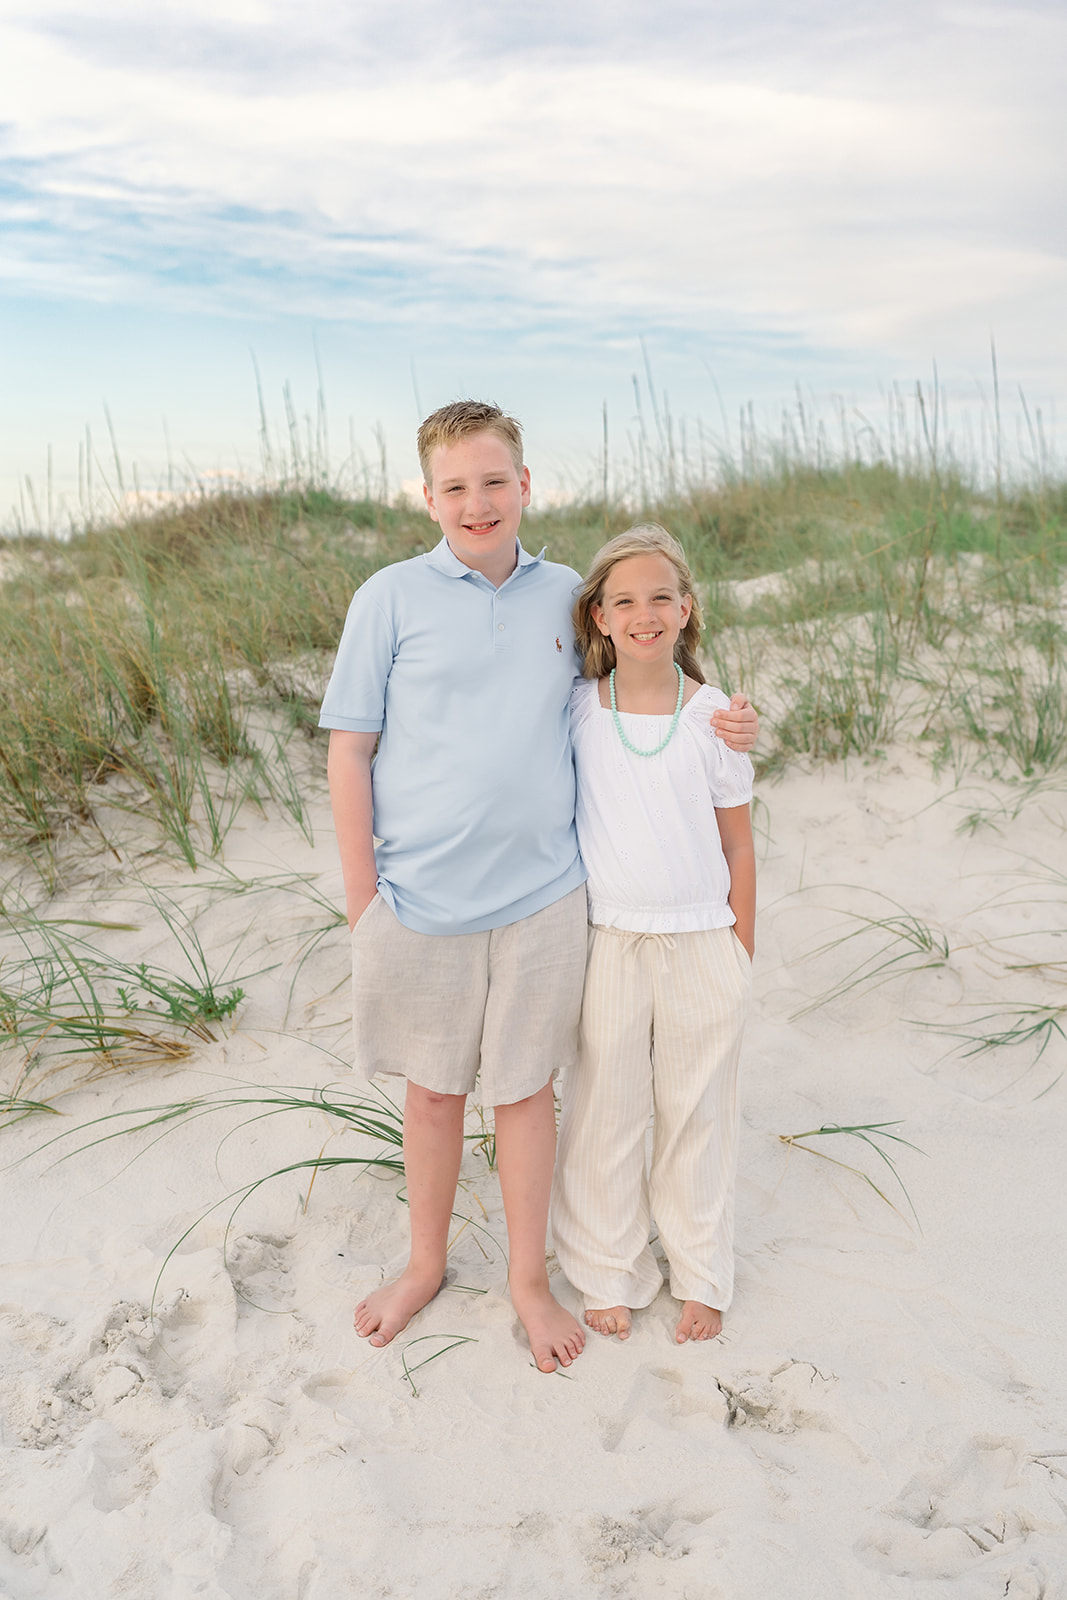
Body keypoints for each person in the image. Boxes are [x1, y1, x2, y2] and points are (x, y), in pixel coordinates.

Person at [320, 403, 758, 1373]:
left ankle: (528, 1277)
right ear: (427, 496)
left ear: (524, 487)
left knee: (526, 1092)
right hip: (421, 896)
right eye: (454, 486)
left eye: (493, 481)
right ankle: (424, 1262)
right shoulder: (387, 598)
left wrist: (724, 718)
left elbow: (642, 671)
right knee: (433, 1094)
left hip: (546, 897)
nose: (476, 502)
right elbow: (350, 750)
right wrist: (364, 898)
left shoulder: (564, 591)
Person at [551, 523, 755, 1347]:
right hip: (608, 941)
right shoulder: (574, 710)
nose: (643, 614)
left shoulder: (714, 717)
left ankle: (700, 1269)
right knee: (605, 1109)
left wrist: (741, 946)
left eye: (659, 598)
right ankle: (605, 1268)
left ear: (686, 610)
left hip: (704, 941)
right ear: (598, 616)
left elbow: (738, 840)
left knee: (696, 1111)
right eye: (623, 600)